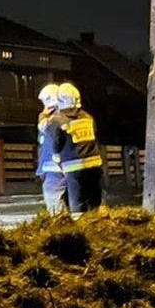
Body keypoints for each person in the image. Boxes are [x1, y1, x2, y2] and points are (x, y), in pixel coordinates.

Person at [46, 81, 103, 217]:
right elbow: (94, 137)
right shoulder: (88, 117)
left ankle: (81, 231)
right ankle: (97, 226)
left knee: (77, 204)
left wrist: (56, 160)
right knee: (94, 202)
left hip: (74, 168)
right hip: (95, 165)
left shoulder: (56, 120)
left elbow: (55, 144)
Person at [35, 84, 67, 215]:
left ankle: (62, 227)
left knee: (53, 197)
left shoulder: (54, 120)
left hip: (55, 168)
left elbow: (44, 129)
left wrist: (42, 116)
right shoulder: (60, 117)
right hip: (58, 167)